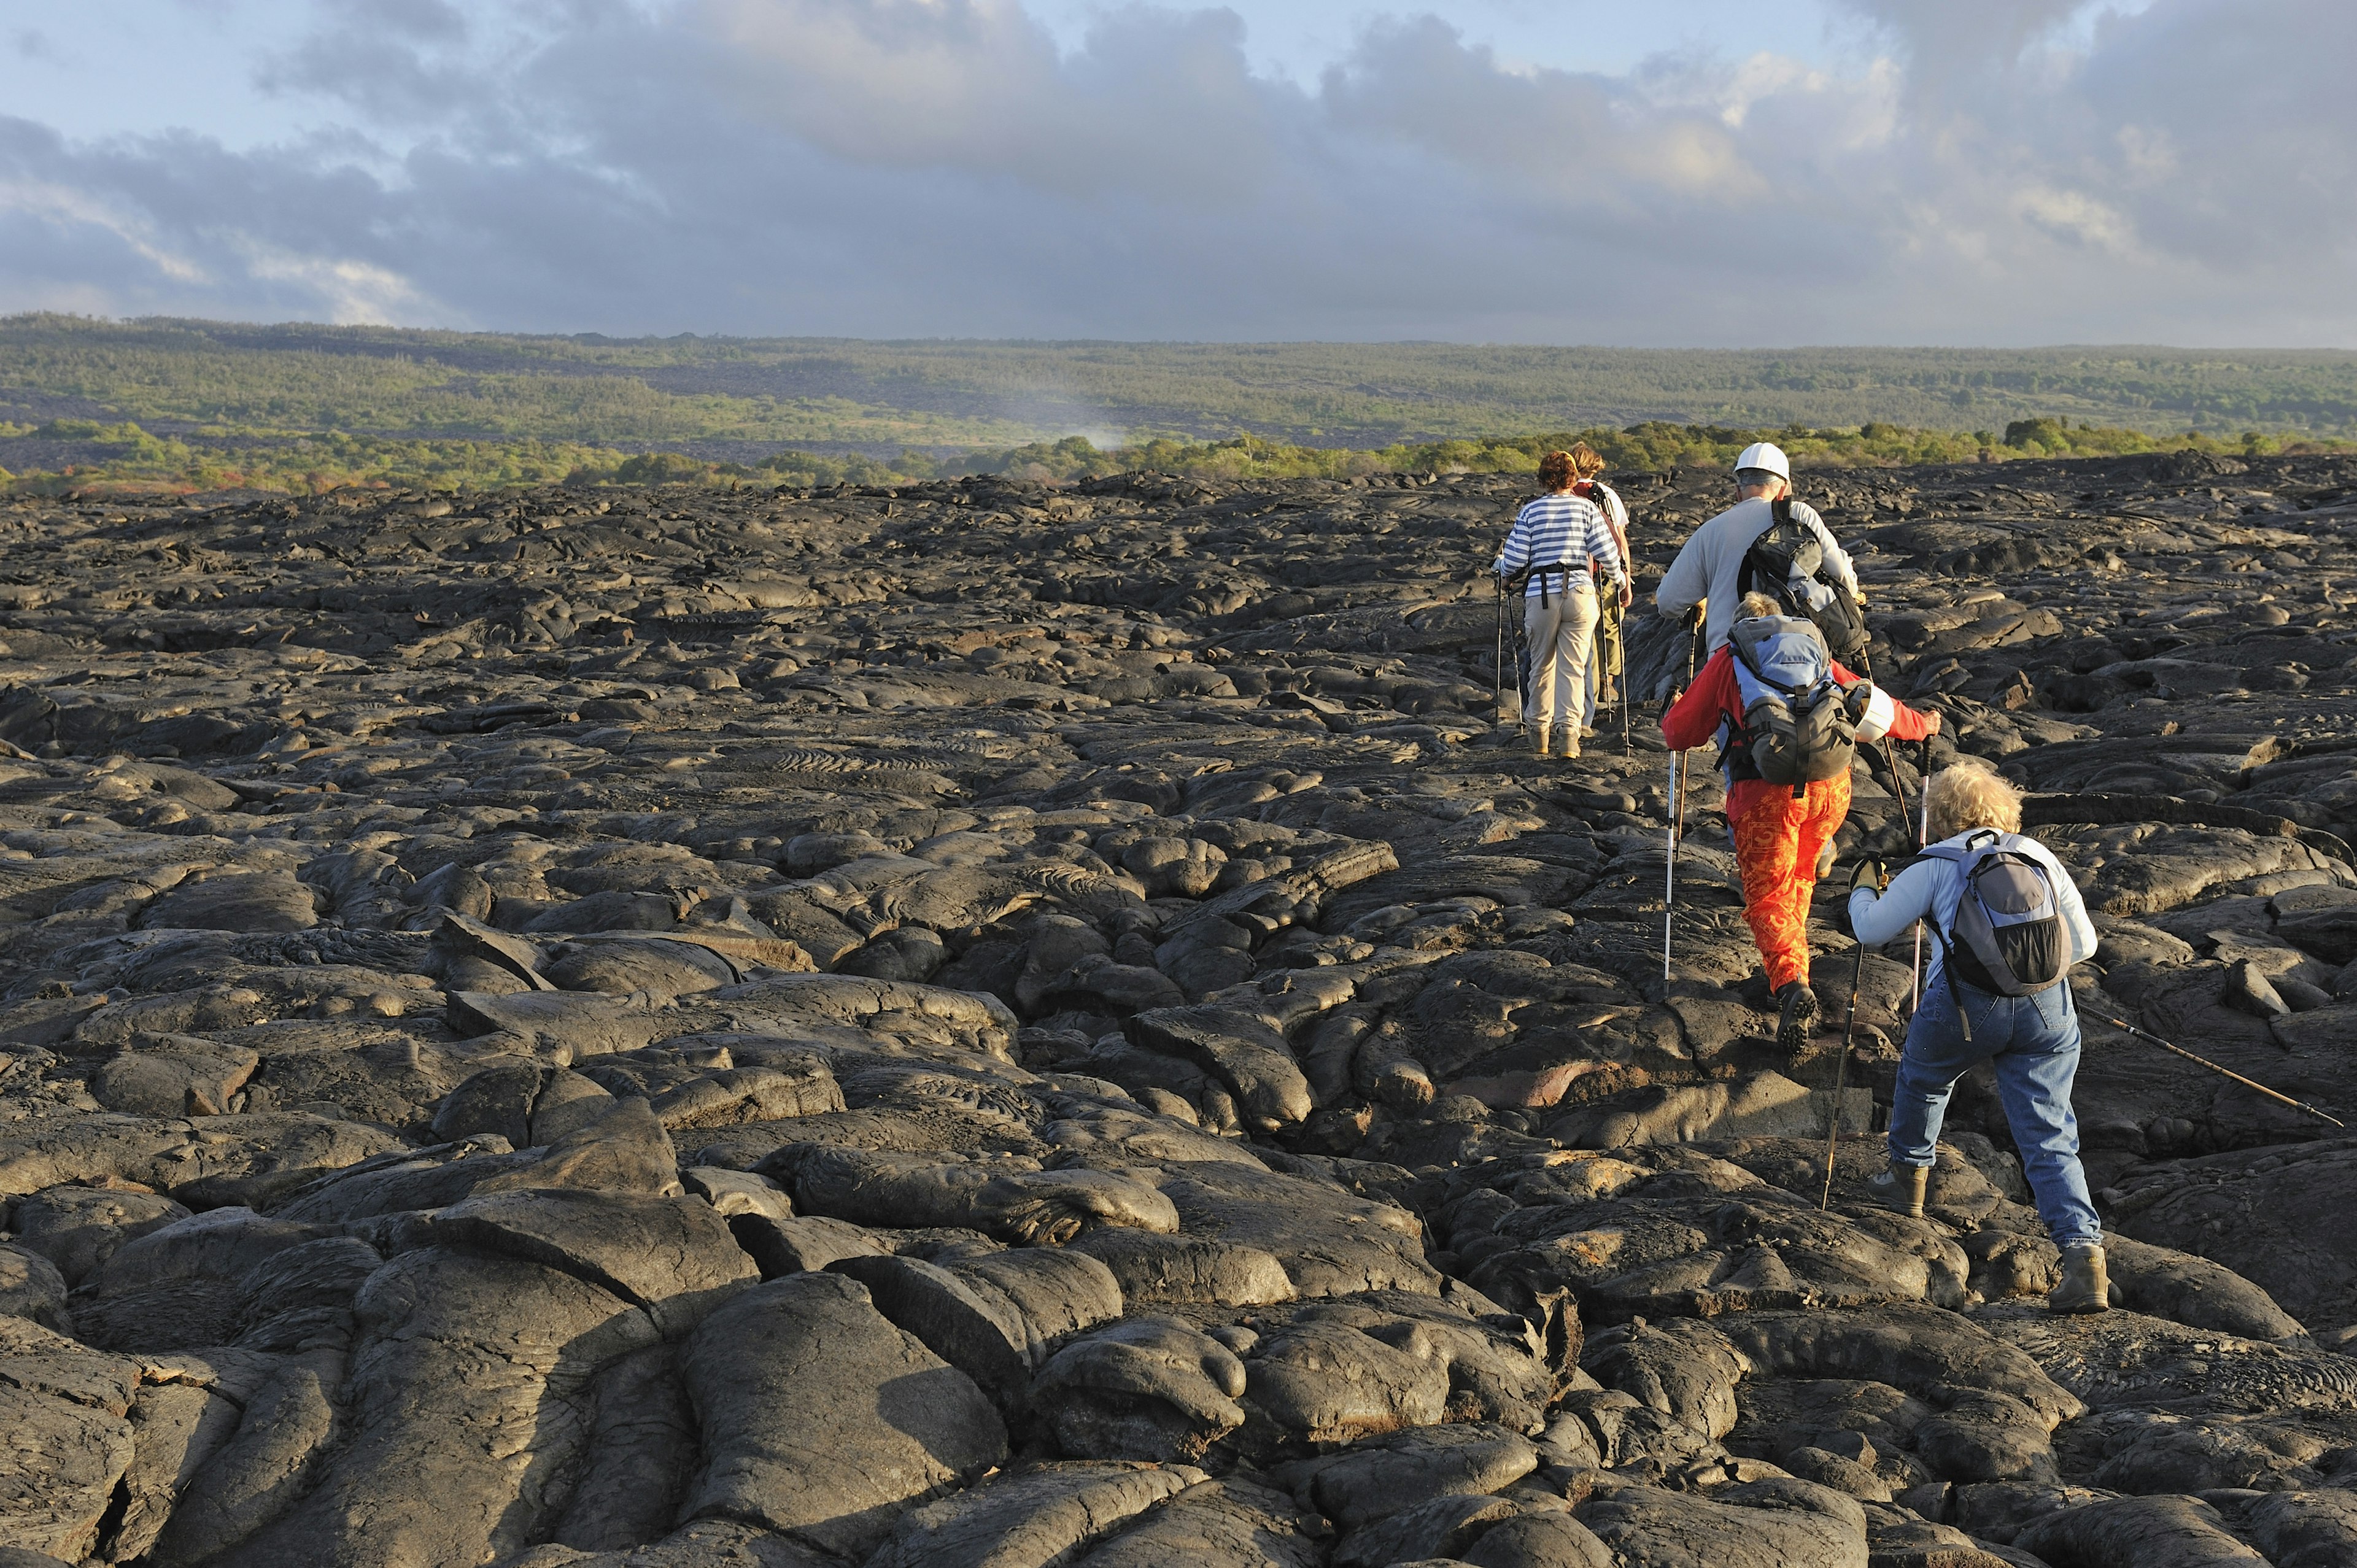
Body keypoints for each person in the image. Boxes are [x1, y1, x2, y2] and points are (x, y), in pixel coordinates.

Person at [1847, 759, 2110, 1315]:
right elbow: (2083, 943)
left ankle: (1907, 1182)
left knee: (1922, 1075)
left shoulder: (1937, 864)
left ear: (1941, 815)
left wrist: (1861, 889)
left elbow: (1870, 929)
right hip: (2047, 1011)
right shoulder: (2037, 855)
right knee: (2049, 1134)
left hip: (1966, 1007)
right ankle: (2085, 1260)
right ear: (2003, 808)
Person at [1662, 591, 1939, 1049]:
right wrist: (1922, 725)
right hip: (1830, 787)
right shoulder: (1811, 650)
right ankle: (1792, 962)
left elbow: (1680, 732)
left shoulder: (1732, 659)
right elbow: (1876, 707)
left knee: (1768, 893)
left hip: (1766, 793)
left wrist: (1672, 712)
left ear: (1742, 625)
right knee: (1799, 876)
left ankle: (1792, 983)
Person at [1655, 441, 1860, 655]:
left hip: (1729, 658)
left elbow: (1668, 603)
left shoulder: (1710, 531)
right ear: (1783, 491)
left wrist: (1701, 599)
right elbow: (1842, 574)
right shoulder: (1800, 515)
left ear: (1738, 491)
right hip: (1798, 653)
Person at [1496, 449, 1626, 759]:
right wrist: (1620, 579)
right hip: (1580, 592)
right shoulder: (1587, 510)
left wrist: (1500, 569)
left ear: (1543, 478)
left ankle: (1539, 735)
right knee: (1575, 667)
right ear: (1571, 477)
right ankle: (1570, 735)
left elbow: (1514, 561)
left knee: (1541, 666)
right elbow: (1608, 553)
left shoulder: (1531, 512)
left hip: (1541, 595)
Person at [1568, 442, 1634, 732]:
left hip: (1573, 575)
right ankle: (1608, 681)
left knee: (1581, 636)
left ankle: (1585, 693)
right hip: (1606, 573)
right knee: (1608, 625)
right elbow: (1619, 538)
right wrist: (1625, 576)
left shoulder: (1564, 494)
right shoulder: (1607, 494)